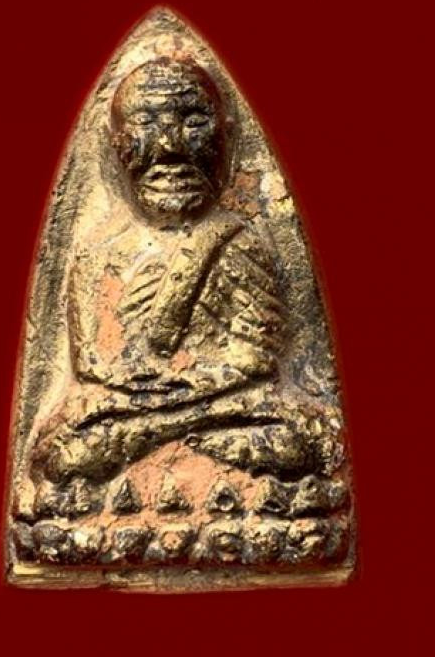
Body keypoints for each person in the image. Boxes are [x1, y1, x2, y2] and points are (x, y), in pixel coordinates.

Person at [29, 58, 323, 509]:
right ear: (116, 142)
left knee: (297, 440)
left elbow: (257, 357)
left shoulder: (237, 241)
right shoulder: (97, 251)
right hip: (129, 407)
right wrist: (136, 388)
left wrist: (189, 389)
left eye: (193, 122)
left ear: (226, 135)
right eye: (146, 123)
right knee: (59, 452)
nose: (169, 146)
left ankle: (161, 466)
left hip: (223, 404)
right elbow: (90, 364)